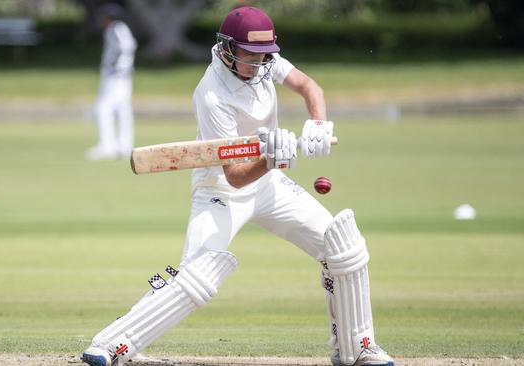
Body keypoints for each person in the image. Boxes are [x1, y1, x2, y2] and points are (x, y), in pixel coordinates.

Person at [81, 6, 394, 366]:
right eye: (249, 55)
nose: (258, 64)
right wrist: (275, 157)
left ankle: (358, 347)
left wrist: (319, 125)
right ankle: (113, 343)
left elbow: (309, 87)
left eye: (265, 56)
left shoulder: (263, 60)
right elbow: (236, 175)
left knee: (342, 248)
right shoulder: (212, 94)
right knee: (198, 278)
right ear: (227, 49)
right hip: (220, 190)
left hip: (271, 185)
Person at [86, 3, 137, 161]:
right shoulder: (119, 29)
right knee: (122, 110)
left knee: (104, 108)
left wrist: (116, 67)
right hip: (120, 76)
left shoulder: (115, 29)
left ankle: (108, 146)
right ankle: (123, 145)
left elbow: (124, 48)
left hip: (115, 76)